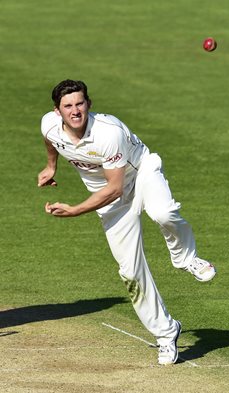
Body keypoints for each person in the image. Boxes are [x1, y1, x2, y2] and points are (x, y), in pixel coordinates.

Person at [38, 79, 216, 365]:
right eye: (68, 106)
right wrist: (50, 166)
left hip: (140, 173)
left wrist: (75, 210)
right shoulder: (48, 124)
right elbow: (51, 142)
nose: (75, 111)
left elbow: (115, 188)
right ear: (57, 111)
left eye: (80, 103)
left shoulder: (108, 133)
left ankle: (186, 258)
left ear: (89, 104)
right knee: (130, 273)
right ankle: (166, 333)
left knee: (163, 212)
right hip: (108, 200)